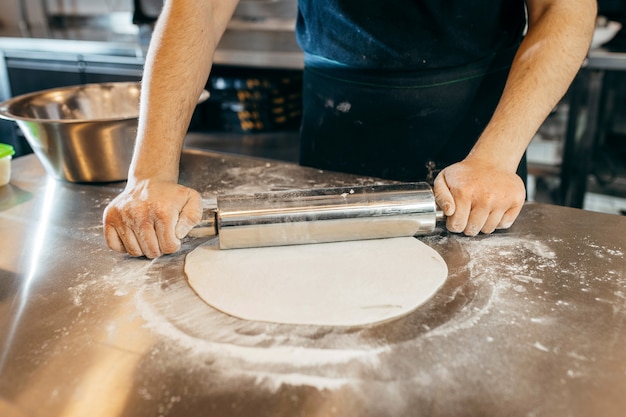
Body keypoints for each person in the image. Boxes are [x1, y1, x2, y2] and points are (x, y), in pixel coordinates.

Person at [103, 0, 596, 259]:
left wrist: (496, 156)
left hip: (479, 135)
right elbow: (200, 5)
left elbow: (564, 8)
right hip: (335, 113)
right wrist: (150, 171)